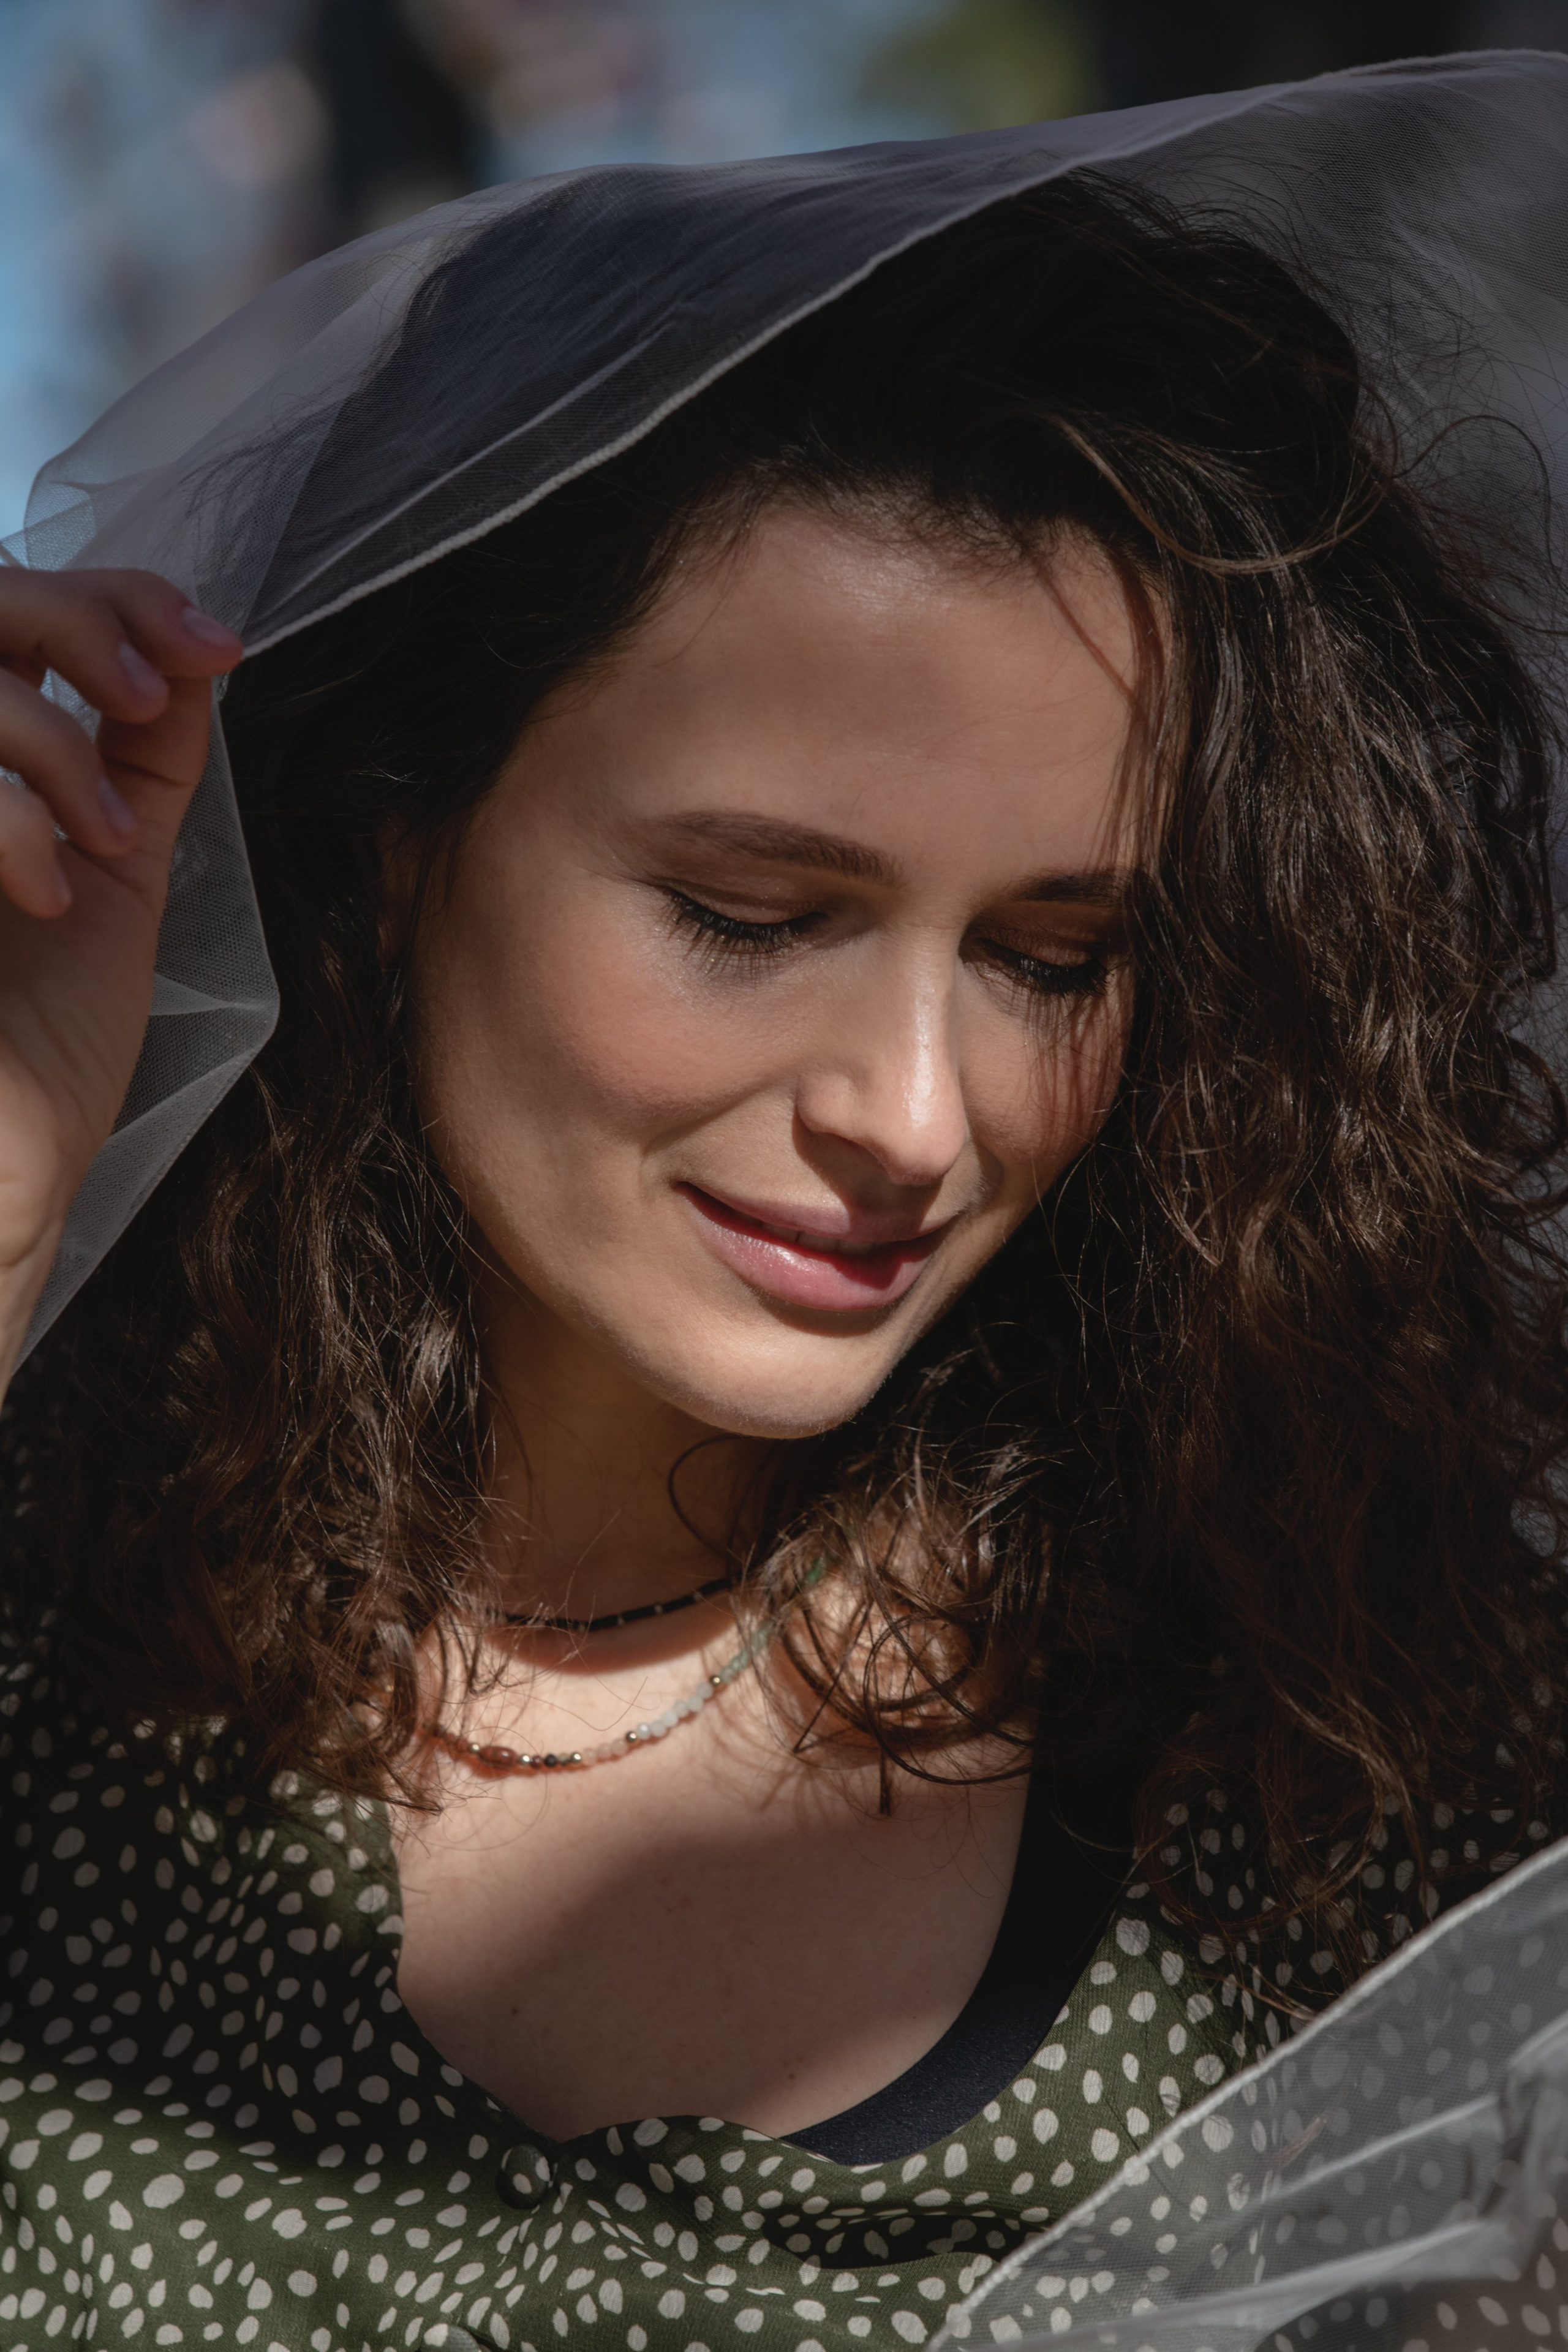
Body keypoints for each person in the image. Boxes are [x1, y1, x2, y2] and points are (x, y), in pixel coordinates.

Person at [1, 69, 1567, 2352]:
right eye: (753, 915)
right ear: (395, 834)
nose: (918, 1118)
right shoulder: (48, 1588)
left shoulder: (1351, 1747)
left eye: (1055, 957)